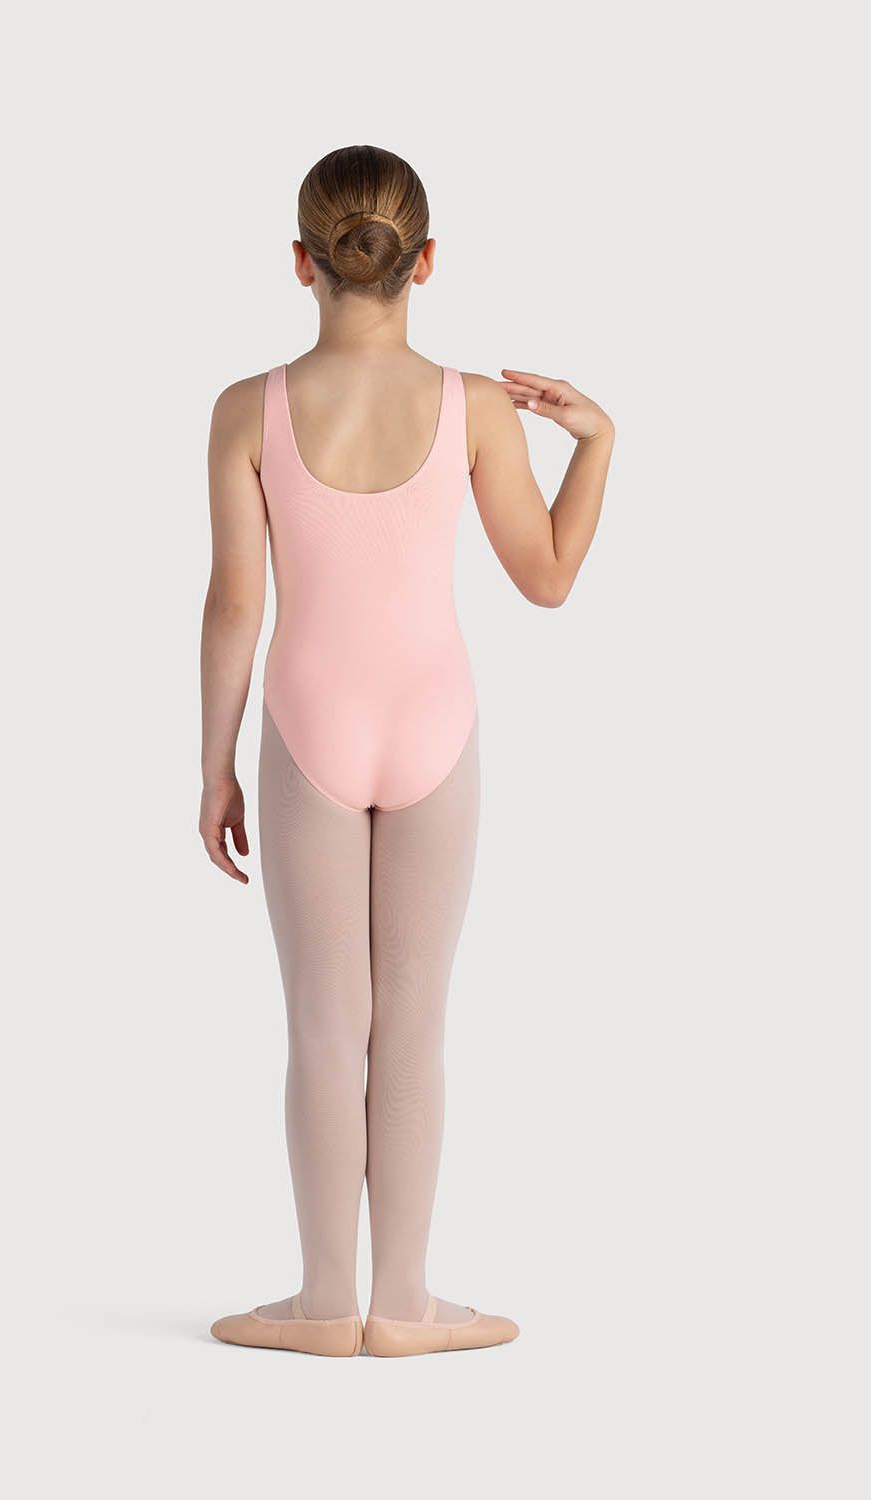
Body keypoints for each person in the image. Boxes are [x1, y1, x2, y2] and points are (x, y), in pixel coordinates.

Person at [199, 144, 614, 1357]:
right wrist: (595, 442)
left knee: (325, 1028)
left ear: (301, 262)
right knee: (415, 1025)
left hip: (306, 729)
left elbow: (234, 605)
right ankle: (408, 1305)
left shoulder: (247, 410)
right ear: (424, 262)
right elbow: (547, 578)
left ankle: (325, 1305)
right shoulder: (475, 407)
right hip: (435, 729)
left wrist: (215, 764)